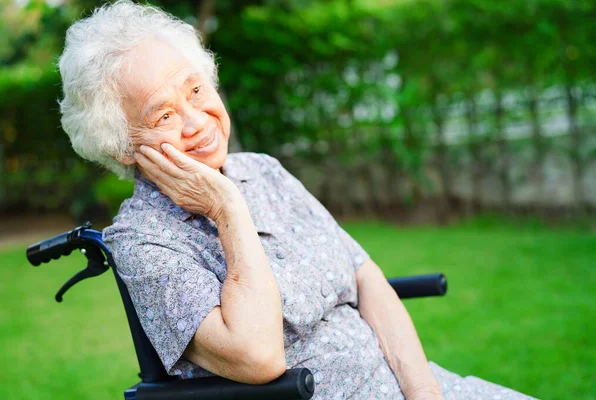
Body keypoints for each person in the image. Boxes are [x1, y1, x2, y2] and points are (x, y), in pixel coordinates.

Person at [58, 2, 536, 399]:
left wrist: (425, 394)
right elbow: (259, 356)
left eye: (197, 90)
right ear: (123, 146)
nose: (196, 121)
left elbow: (363, 275)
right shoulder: (143, 242)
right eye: (162, 114)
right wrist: (228, 209)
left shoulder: (263, 170)